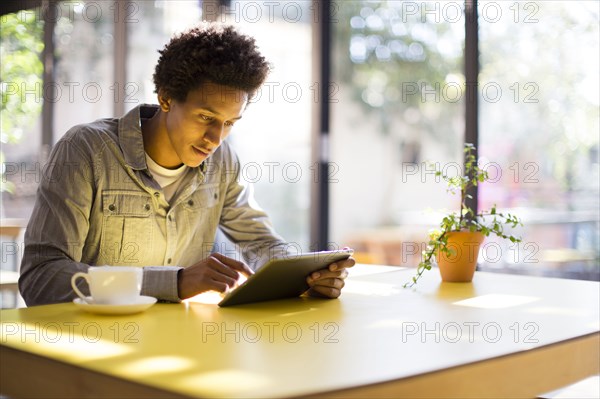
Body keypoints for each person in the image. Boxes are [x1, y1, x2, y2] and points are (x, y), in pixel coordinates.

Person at [19, 23, 355, 306]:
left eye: (229, 123)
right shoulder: (86, 151)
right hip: (88, 350)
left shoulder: (222, 162)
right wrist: (173, 283)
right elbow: (41, 277)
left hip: (178, 344)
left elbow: (260, 243)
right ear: (165, 98)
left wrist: (307, 277)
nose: (215, 138)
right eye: (206, 117)